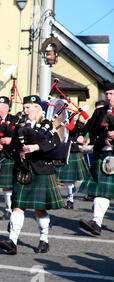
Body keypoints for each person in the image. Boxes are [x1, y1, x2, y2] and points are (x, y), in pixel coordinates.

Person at [0, 95, 64, 255]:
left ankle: (44, 239)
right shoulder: (20, 124)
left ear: (37, 108)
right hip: (24, 170)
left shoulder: (46, 124)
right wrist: (18, 152)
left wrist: (36, 147)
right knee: (17, 206)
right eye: (24, 107)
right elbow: (13, 147)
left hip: (41, 170)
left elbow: (55, 142)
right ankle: (12, 241)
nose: (25, 110)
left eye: (28, 107)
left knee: (39, 209)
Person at [78, 82, 114, 236]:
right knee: (102, 190)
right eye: (107, 94)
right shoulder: (100, 112)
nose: (108, 97)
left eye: (111, 94)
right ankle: (96, 223)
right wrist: (82, 135)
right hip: (104, 155)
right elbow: (90, 128)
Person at [54, 113, 88, 209]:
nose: (76, 117)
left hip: (73, 151)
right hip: (63, 150)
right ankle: (69, 196)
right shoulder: (61, 121)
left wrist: (80, 121)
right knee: (66, 180)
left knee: (70, 179)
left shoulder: (79, 125)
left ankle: (70, 199)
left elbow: (80, 130)